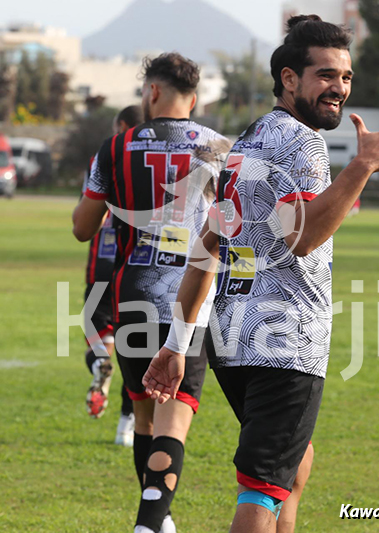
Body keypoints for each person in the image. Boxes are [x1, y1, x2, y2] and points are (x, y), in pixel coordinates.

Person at [142, 15, 379, 533]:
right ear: (288, 78)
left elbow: (206, 249)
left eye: (345, 77)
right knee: (262, 487)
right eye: (325, 75)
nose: (339, 88)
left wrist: (176, 344)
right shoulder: (303, 144)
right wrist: (363, 166)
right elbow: (301, 236)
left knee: (295, 465)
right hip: (287, 344)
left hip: (234, 343)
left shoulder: (249, 141)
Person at [72, 52, 231, 533]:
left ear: (151, 93)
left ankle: (158, 521)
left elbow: (83, 228)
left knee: (144, 416)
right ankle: (151, 522)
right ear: (195, 99)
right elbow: (236, 229)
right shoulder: (220, 148)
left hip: (133, 295)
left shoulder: (115, 148)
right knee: (173, 421)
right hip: (192, 298)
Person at [83, 105, 143, 448]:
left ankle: (101, 361)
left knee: (97, 325)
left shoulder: (105, 155)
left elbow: (84, 217)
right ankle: (126, 423)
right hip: (141, 265)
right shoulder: (159, 154)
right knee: (137, 345)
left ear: (122, 125)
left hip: (101, 259)